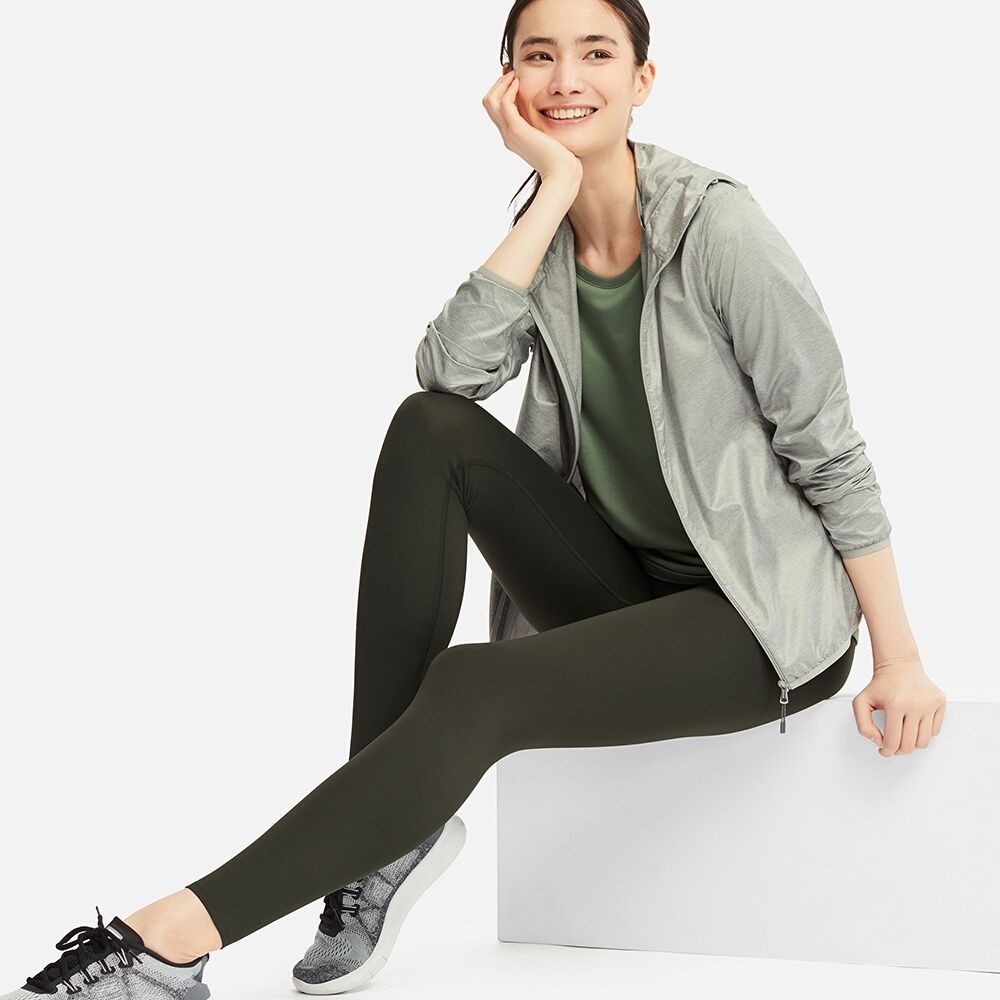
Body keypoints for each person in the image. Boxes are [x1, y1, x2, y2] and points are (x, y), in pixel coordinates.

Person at [2, 0, 948, 997]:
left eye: (596, 53)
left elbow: (830, 452)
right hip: (628, 590)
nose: (566, 79)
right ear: (508, 83)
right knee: (431, 431)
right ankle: (378, 842)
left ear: (643, 79)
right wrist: (553, 191)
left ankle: (169, 941)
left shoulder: (720, 230)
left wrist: (899, 660)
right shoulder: (543, 227)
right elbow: (448, 375)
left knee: (471, 684)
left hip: (756, 620)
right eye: (539, 55)